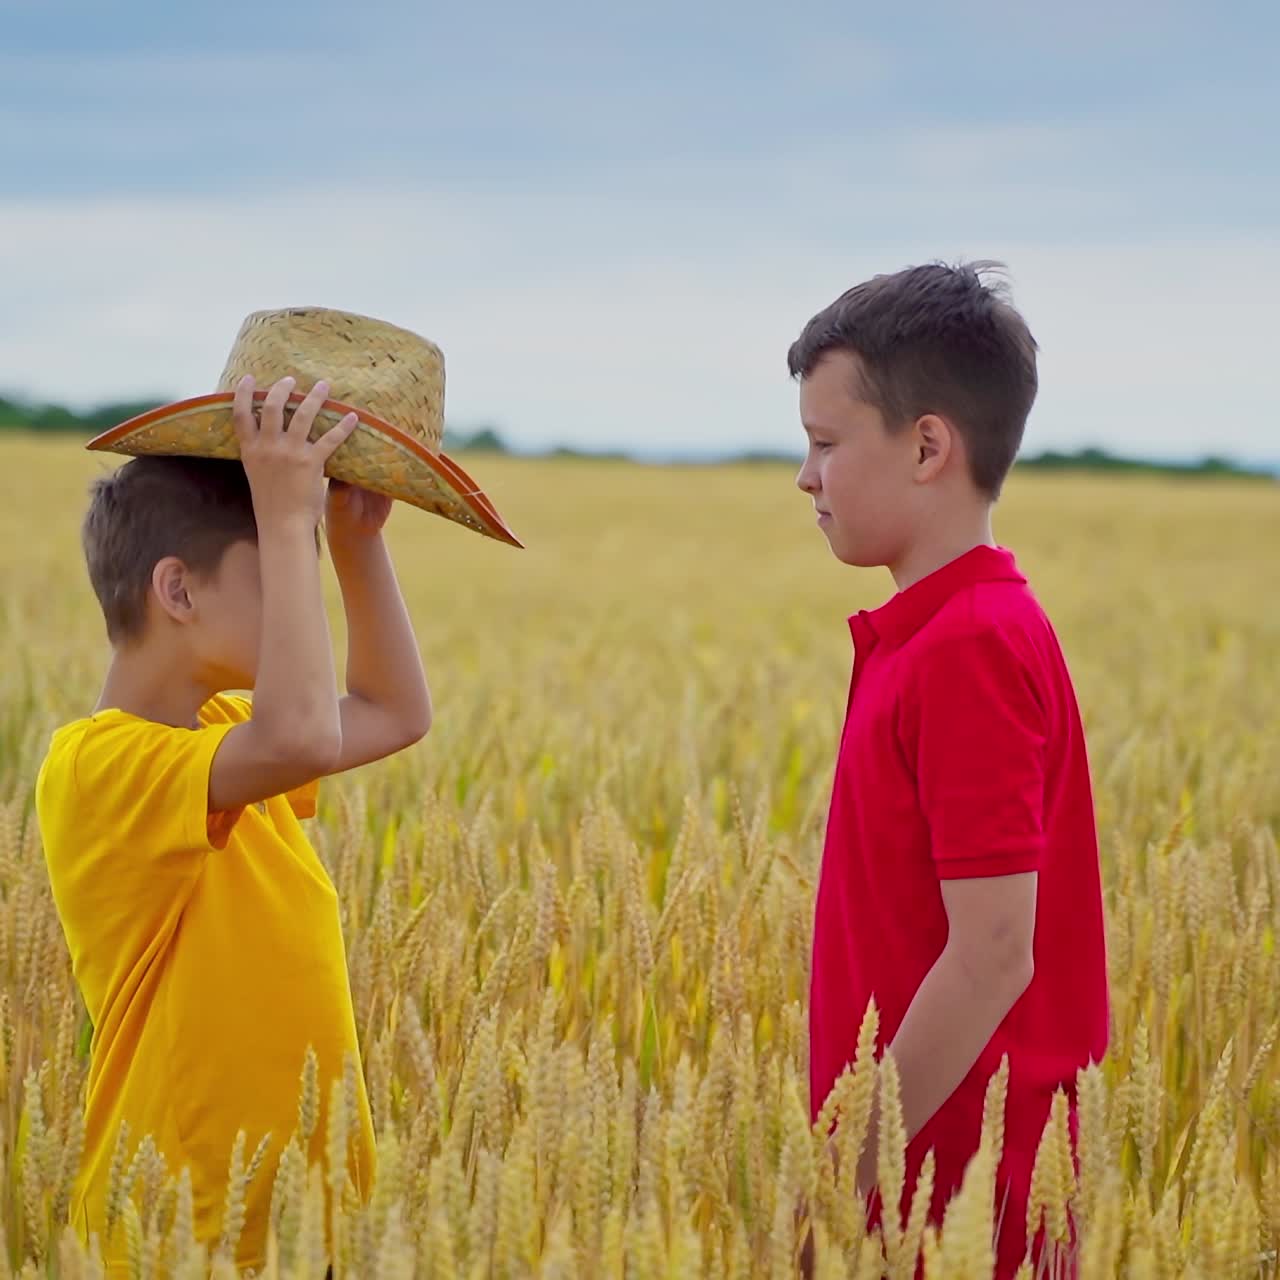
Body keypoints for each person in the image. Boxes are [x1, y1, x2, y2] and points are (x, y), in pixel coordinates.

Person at [36, 373, 432, 1272]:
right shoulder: (97, 768)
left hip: (306, 1219)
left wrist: (351, 540)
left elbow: (393, 711)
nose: (307, 610)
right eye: (283, 578)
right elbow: (301, 729)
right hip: (186, 1224)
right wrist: (289, 517)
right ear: (177, 592)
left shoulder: (223, 739)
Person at [791, 261, 1108, 1276]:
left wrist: (846, 1168)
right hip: (930, 1175)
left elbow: (990, 955)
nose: (805, 476)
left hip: (961, 1198)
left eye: (825, 443)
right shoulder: (938, 632)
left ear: (926, 444)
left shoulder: (967, 645)